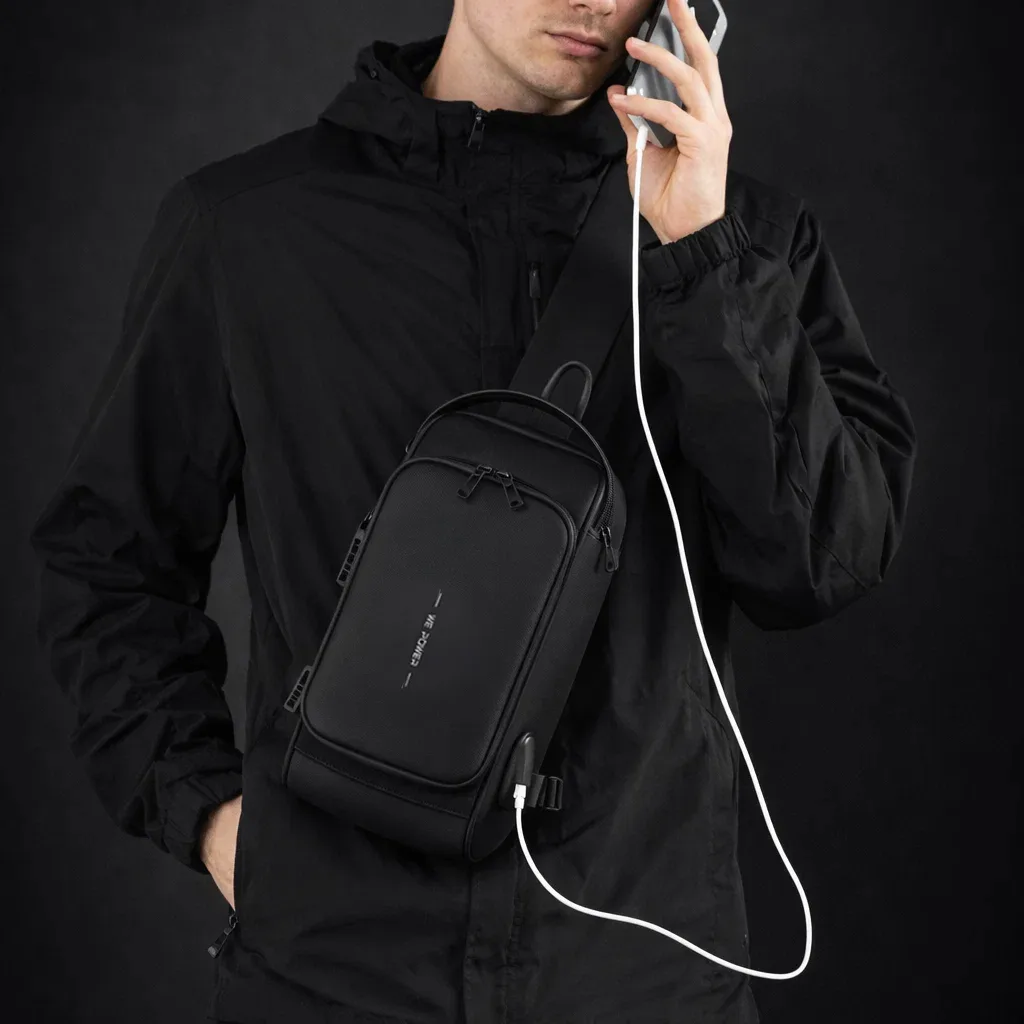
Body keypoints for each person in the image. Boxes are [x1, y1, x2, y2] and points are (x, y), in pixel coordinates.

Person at [27, 0, 917, 1021]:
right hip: (333, 972)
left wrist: (703, 260)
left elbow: (822, 564)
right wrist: (213, 818)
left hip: (641, 970)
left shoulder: (739, 238)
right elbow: (109, 564)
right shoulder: (245, 225)